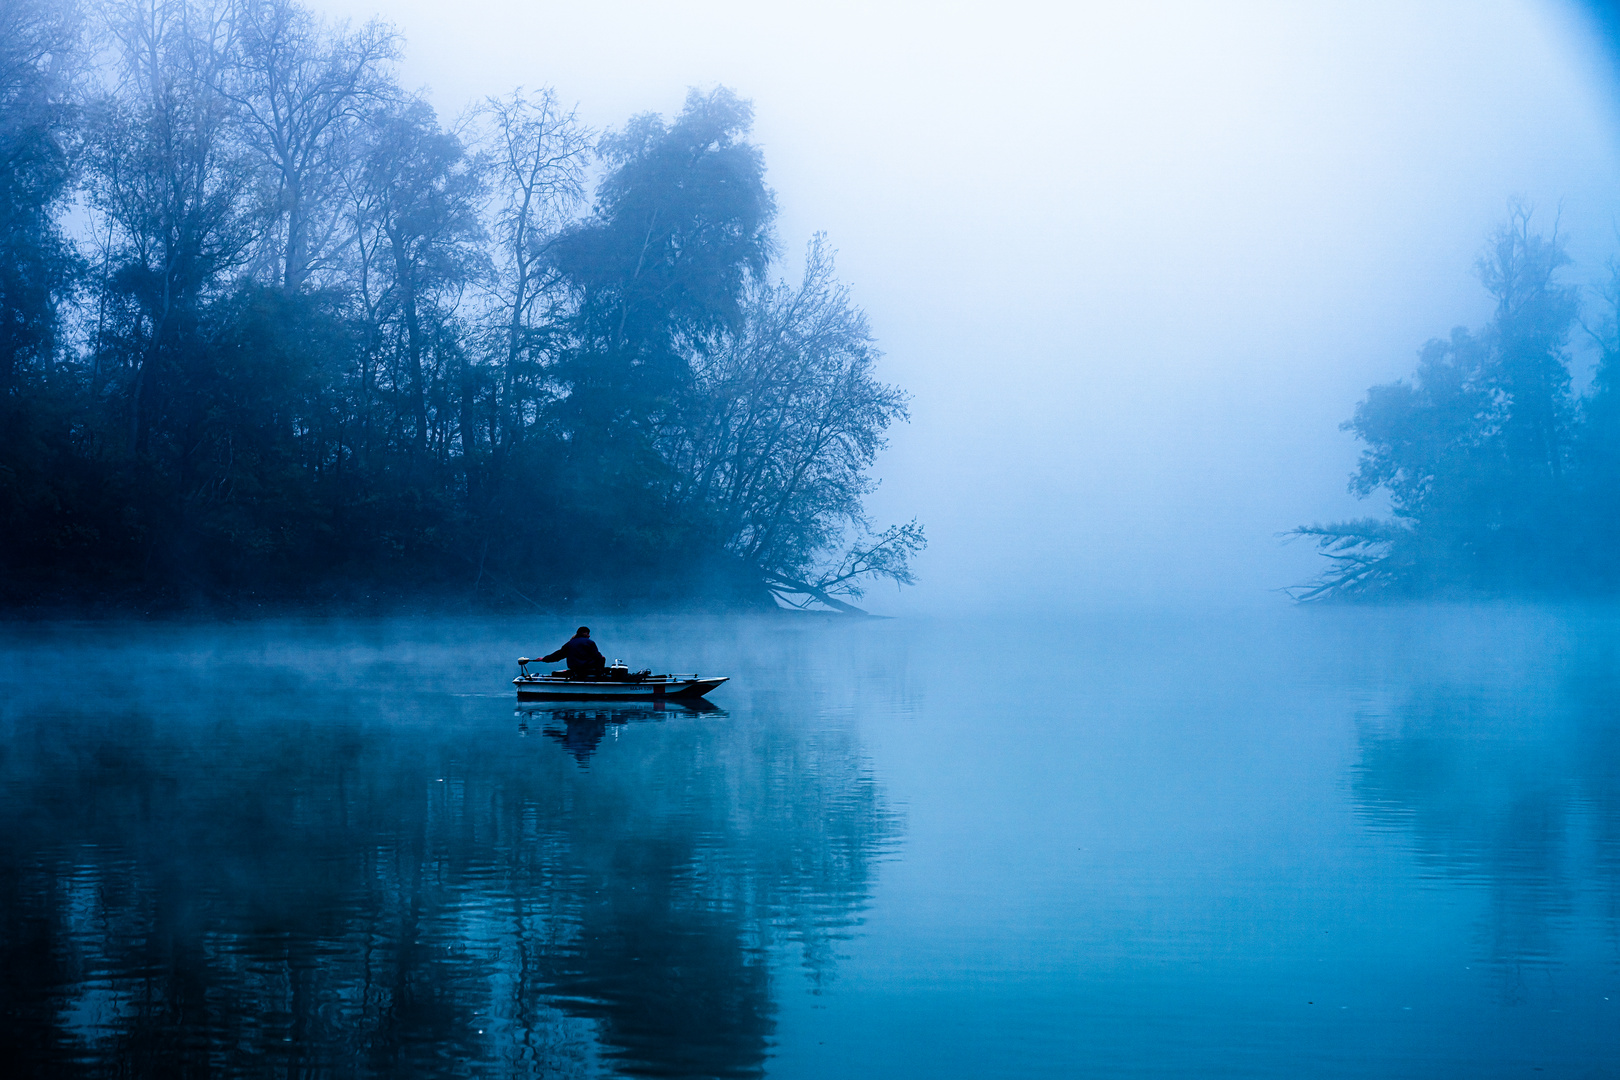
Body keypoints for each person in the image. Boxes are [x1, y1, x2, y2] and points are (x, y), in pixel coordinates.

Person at [531, 626, 606, 674]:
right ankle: (599, 676)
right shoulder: (590, 642)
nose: (589, 635)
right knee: (602, 658)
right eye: (588, 633)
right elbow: (597, 656)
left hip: (574, 668)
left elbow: (558, 655)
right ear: (584, 633)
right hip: (587, 668)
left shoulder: (569, 643)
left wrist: (544, 659)